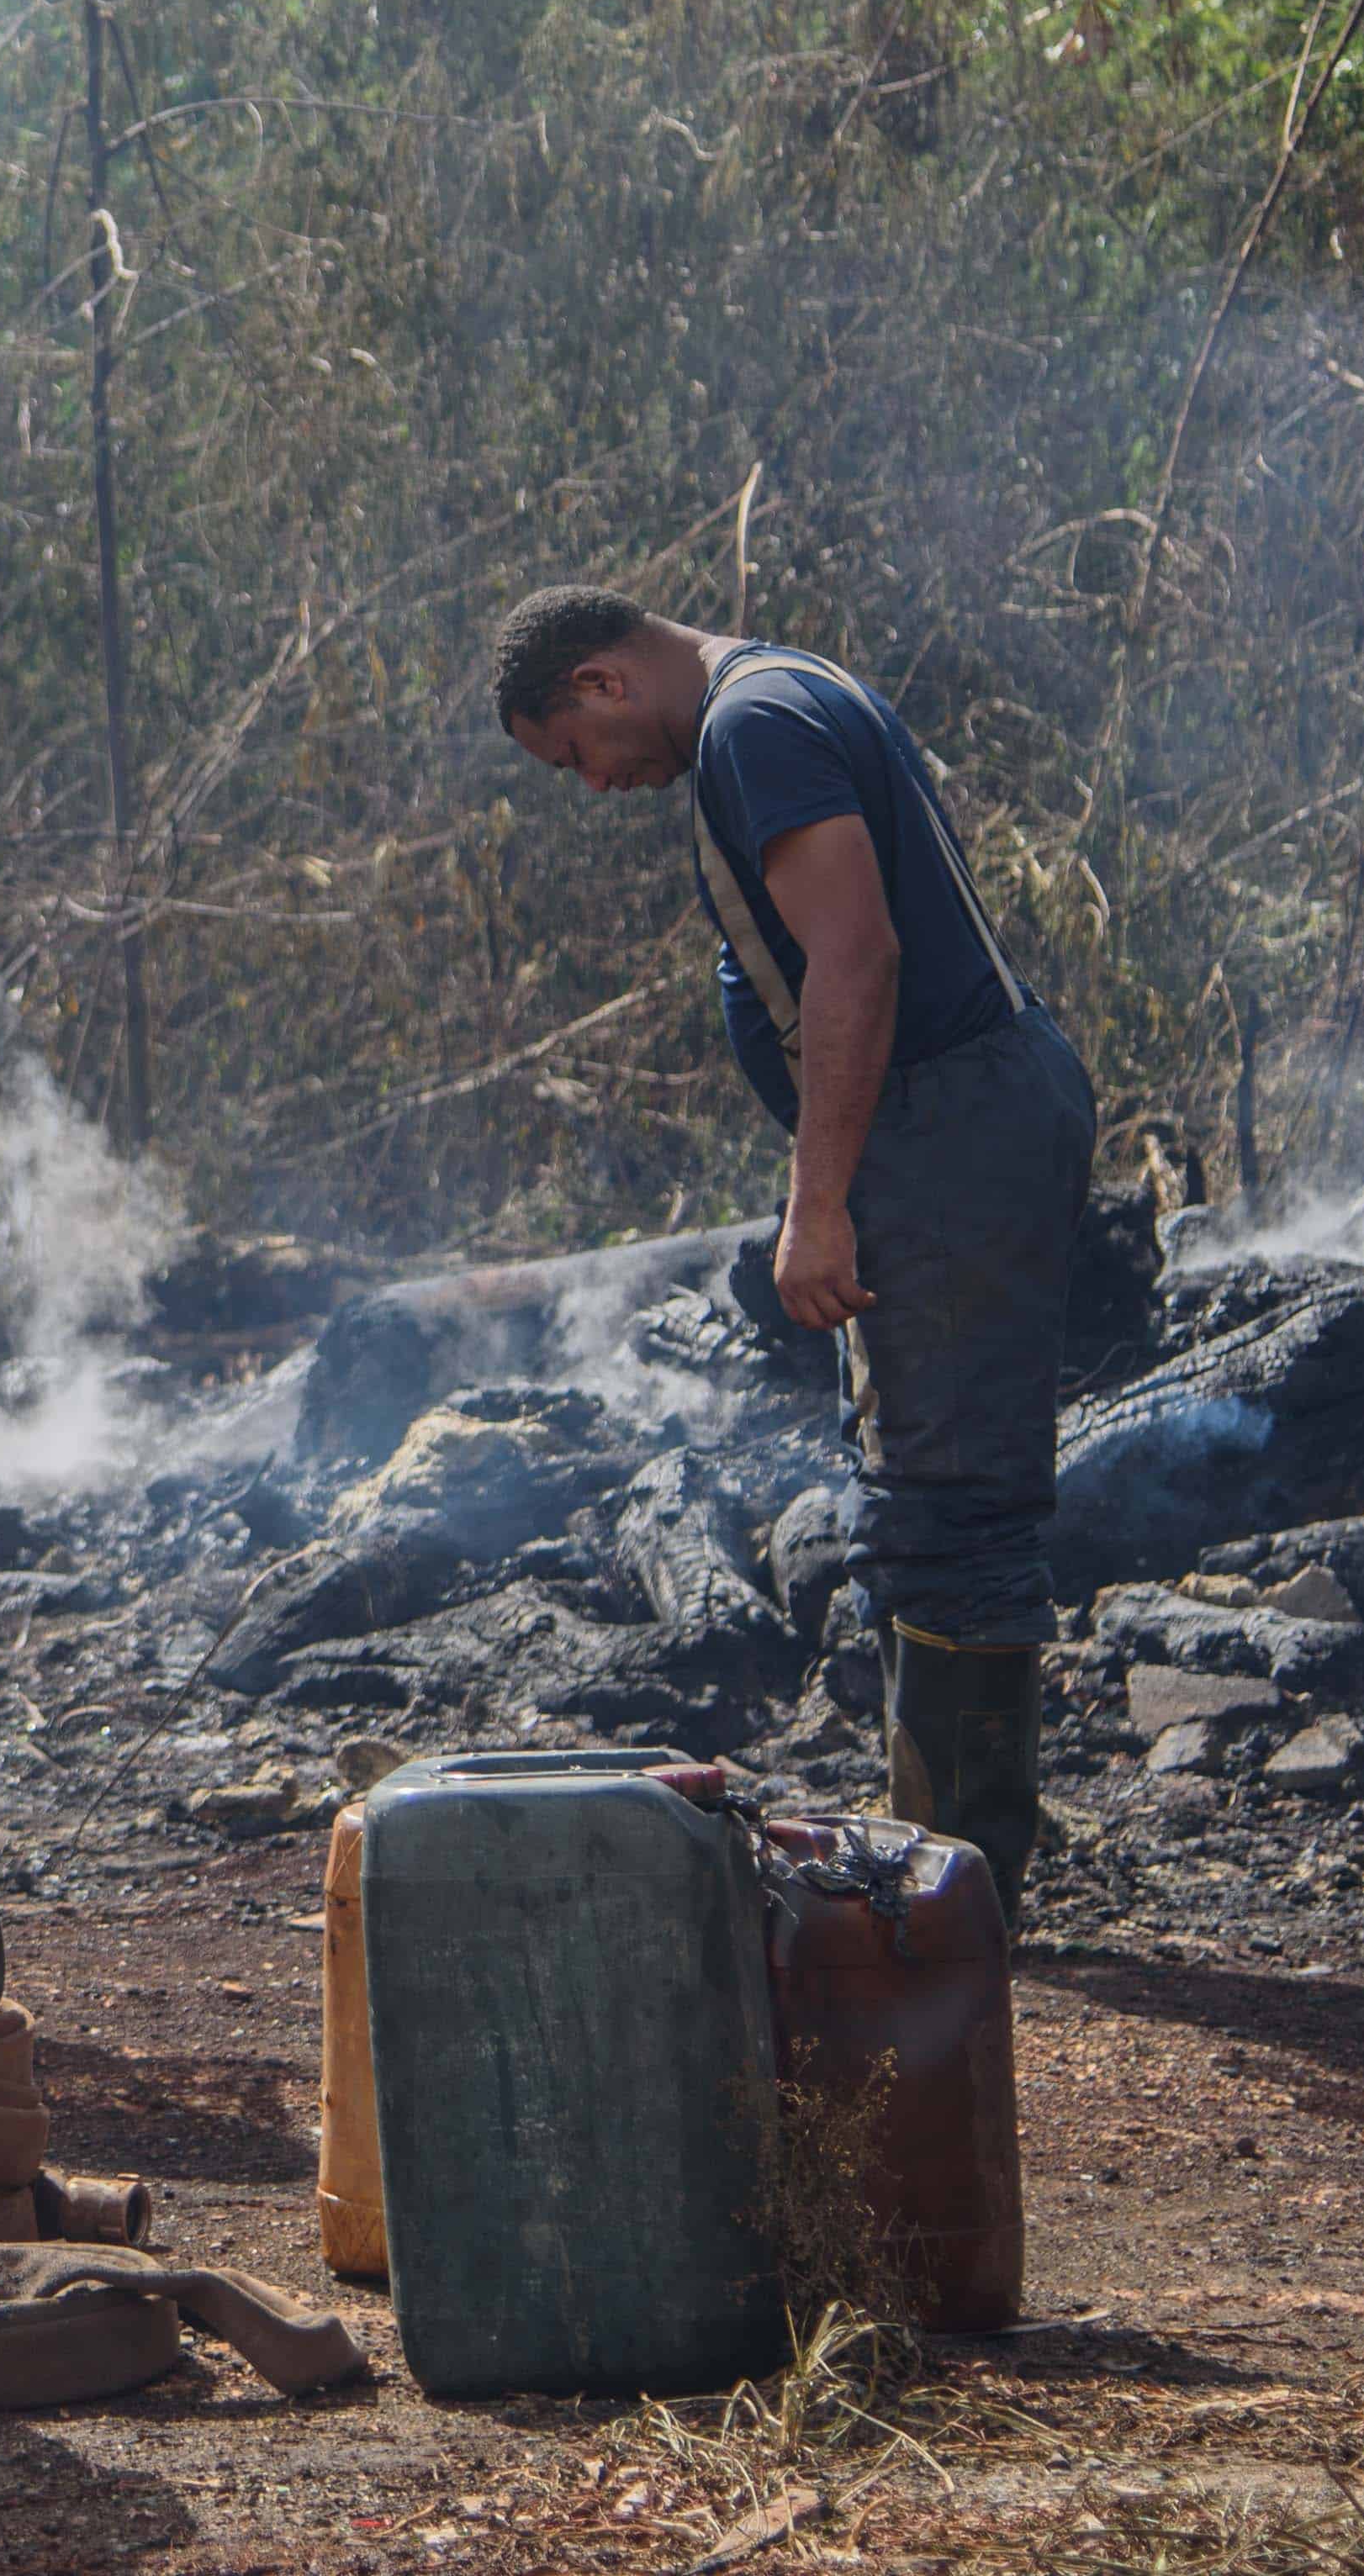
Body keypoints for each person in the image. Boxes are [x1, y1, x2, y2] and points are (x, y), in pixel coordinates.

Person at [491, 584, 1096, 1911]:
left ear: (601, 683)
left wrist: (821, 1203)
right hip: (957, 1118)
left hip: (948, 1131)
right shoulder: (778, 691)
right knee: (936, 1497)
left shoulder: (754, 725)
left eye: (573, 756)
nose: (593, 785)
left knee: (944, 1513)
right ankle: (955, 1866)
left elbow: (858, 958)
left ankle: (956, 1890)